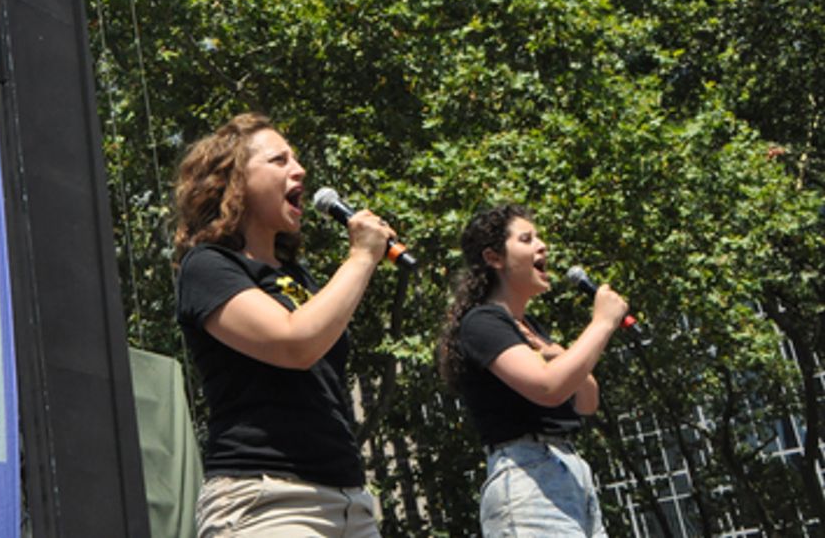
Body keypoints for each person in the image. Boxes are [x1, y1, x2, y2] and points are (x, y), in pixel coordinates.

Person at [172, 112, 396, 537]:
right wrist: (363, 256)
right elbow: (294, 344)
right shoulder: (208, 266)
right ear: (234, 180)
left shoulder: (297, 277)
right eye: (279, 160)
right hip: (269, 501)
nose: (299, 169)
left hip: (349, 502)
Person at [436, 204, 630, 537]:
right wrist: (601, 324)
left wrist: (558, 354)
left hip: (569, 471)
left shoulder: (530, 327)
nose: (542, 246)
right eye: (527, 239)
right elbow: (547, 388)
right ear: (494, 258)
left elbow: (586, 401)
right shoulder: (482, 322)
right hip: (527, 474)